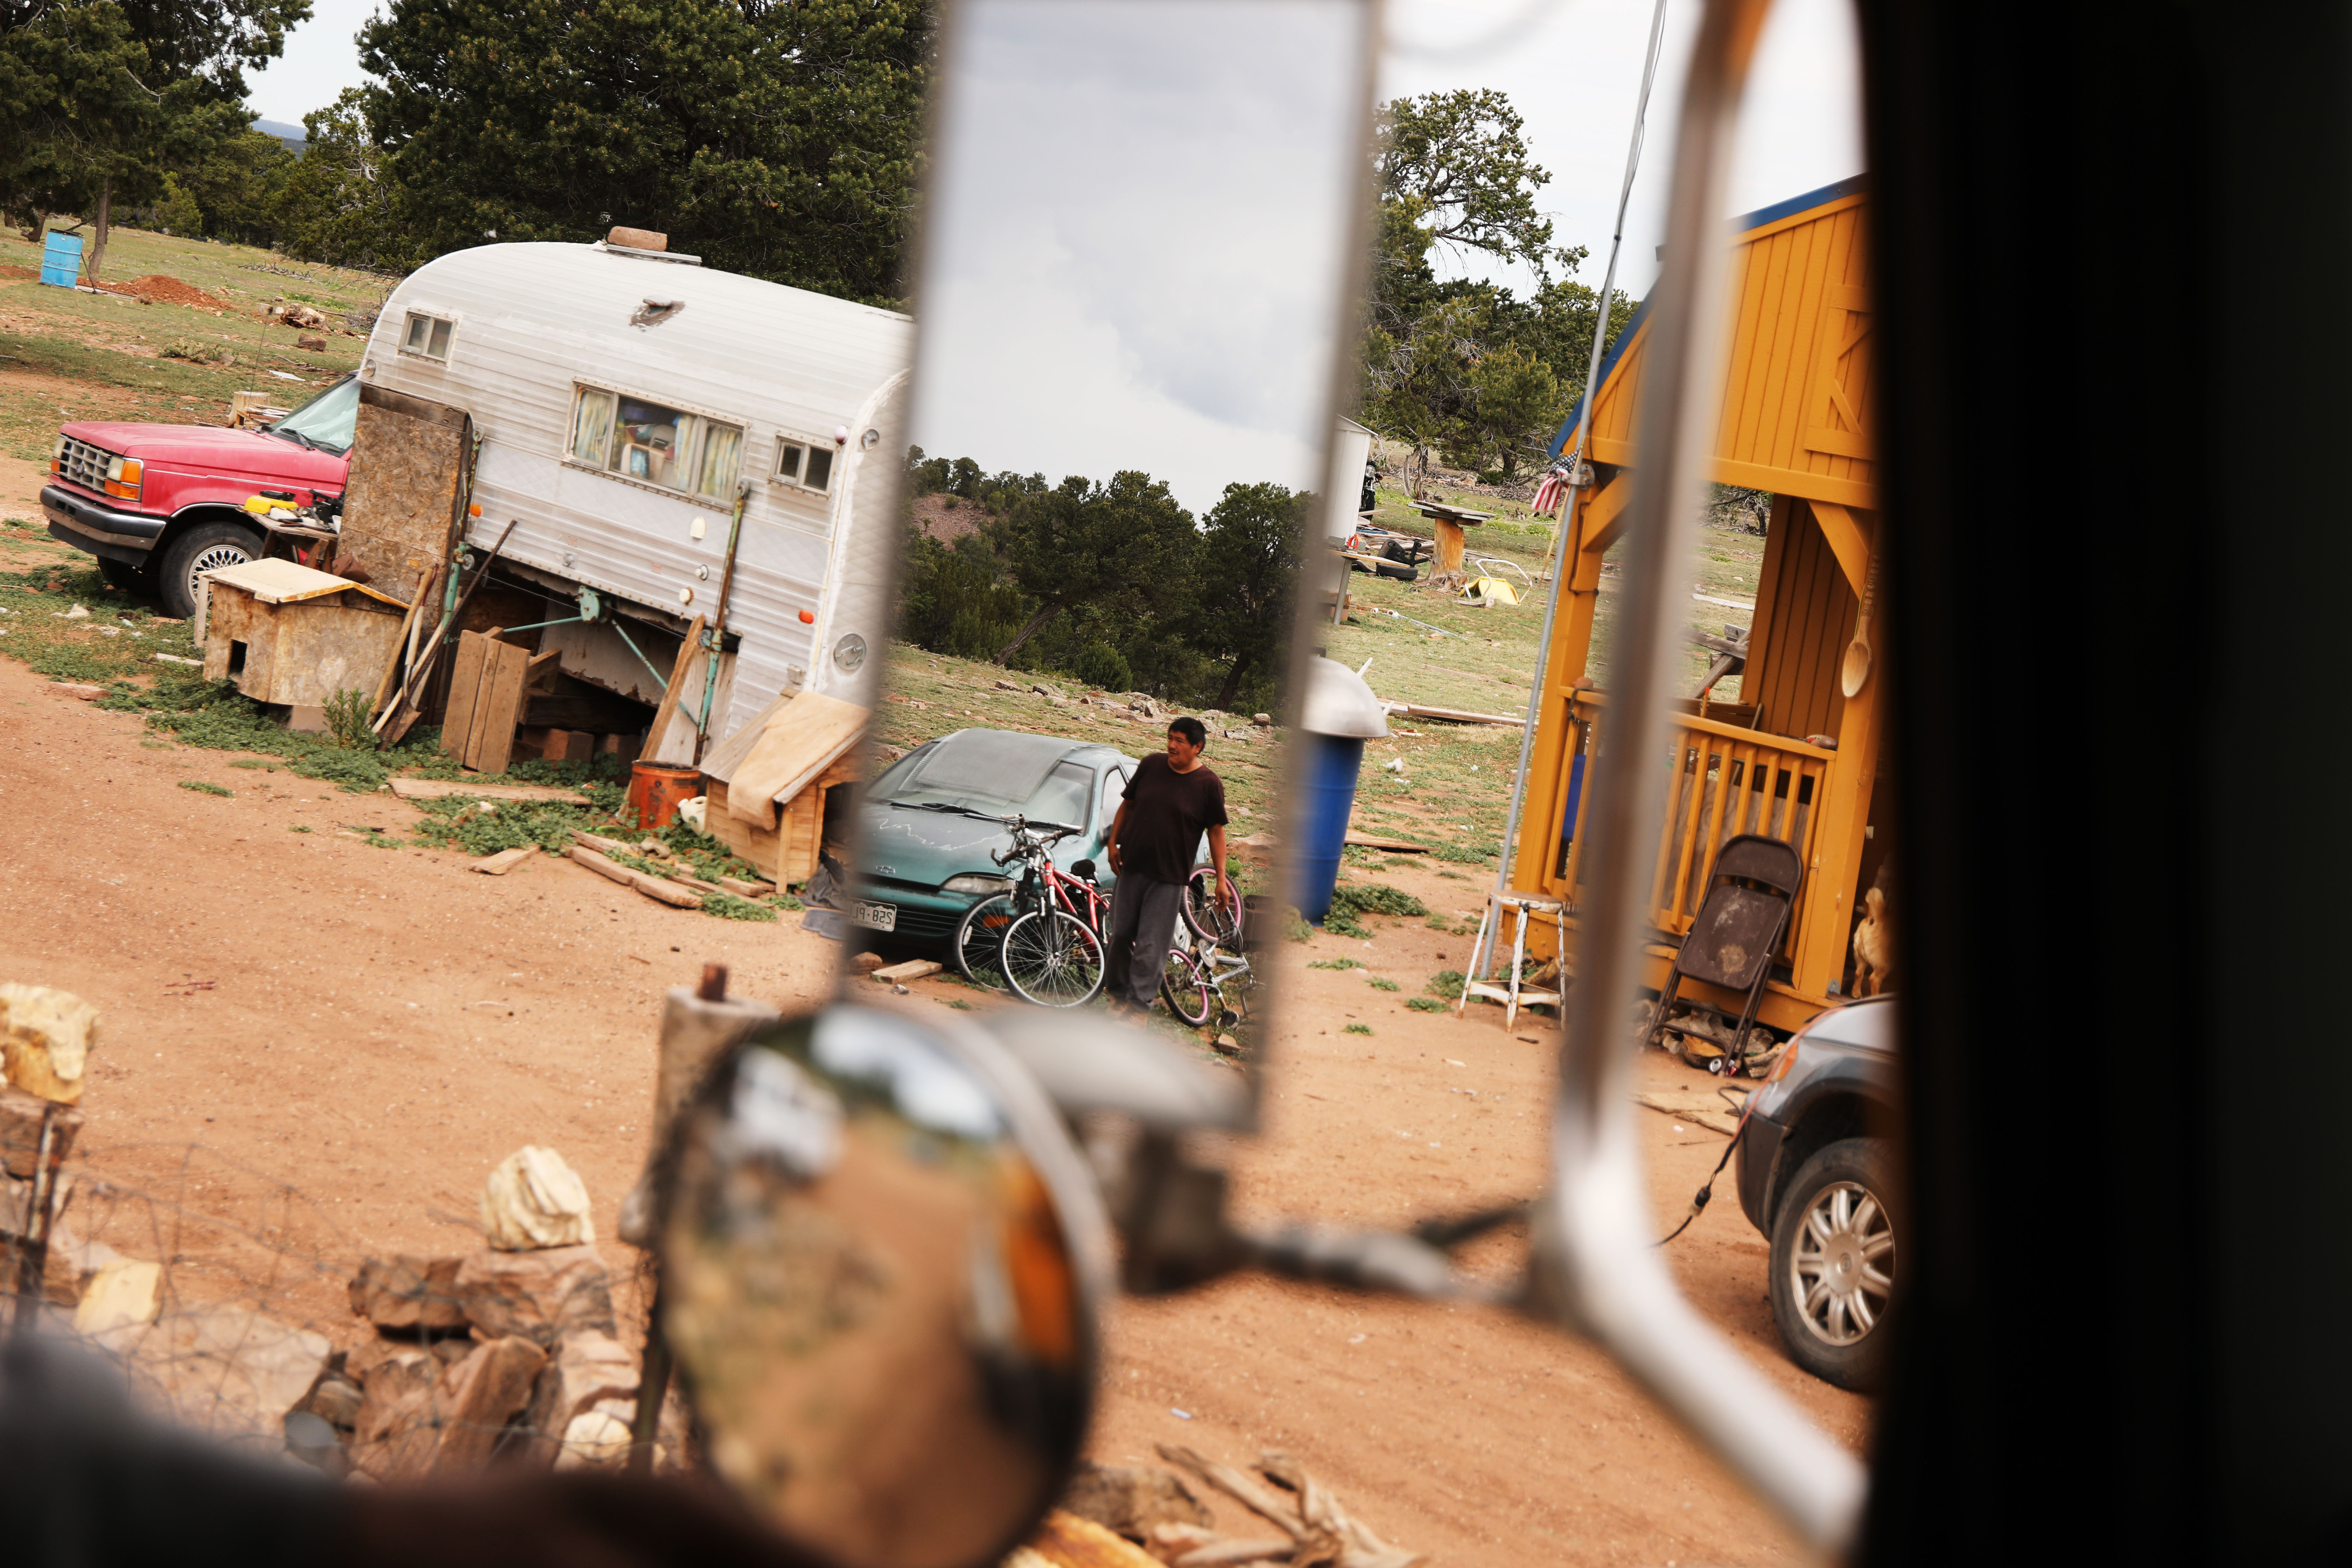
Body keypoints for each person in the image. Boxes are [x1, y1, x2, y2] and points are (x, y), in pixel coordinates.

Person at [1102, 717, 1231, 1016]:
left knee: (1151, 945)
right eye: (1170, 738)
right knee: (1120, 935)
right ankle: (1117, 995)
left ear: (1197, 747)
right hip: (1131, 867)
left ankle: (1138, 1008)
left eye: (1180, 741)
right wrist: (1113, 844)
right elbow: (1128, 805)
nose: (1172, 745)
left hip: (1169, 877)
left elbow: (1216, 832)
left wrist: (1221, 879)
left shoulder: (1208, 784)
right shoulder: (1150, 765)